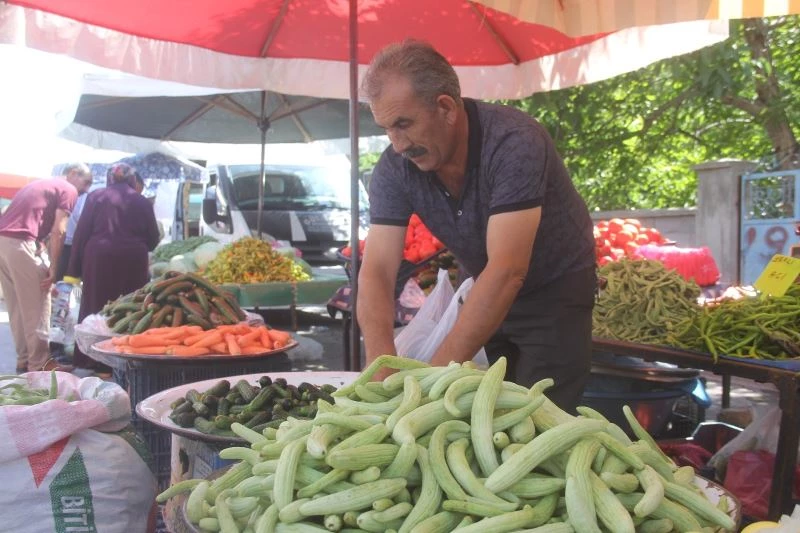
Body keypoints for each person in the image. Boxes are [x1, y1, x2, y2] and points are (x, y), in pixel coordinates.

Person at [356, 40, 597, 412]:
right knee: (475, 415)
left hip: (554, 293)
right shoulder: (395, 167)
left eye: (404, 124)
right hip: (482, 288)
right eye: (387, 128)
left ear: (446, 108)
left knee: (538, 419)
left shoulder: (514, 142)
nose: (398, 144)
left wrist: (430, 382)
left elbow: (508, 270)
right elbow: (376, 270)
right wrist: (381, 364)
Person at [67, 163, 160, 375]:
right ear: (132, 180)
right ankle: (127, 356)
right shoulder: (142, 201)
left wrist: (72, 271)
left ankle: (93, 361)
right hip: (132, 260)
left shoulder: (96, 197)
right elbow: (153, 237)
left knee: (95, 306)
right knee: (131, 307)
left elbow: (82, 233)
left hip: (99, 259)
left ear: (110, 178)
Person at [0, 164, 93, 372]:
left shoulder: (41, 184)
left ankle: (25, 359)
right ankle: (41, 363)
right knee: (39, 304)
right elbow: (59, 230)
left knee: (17, 306)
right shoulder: (67, 189)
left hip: (4, 242)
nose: (86, 189)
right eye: (86, 182)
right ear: (71, 174)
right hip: (21, 243)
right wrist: (54, 266)